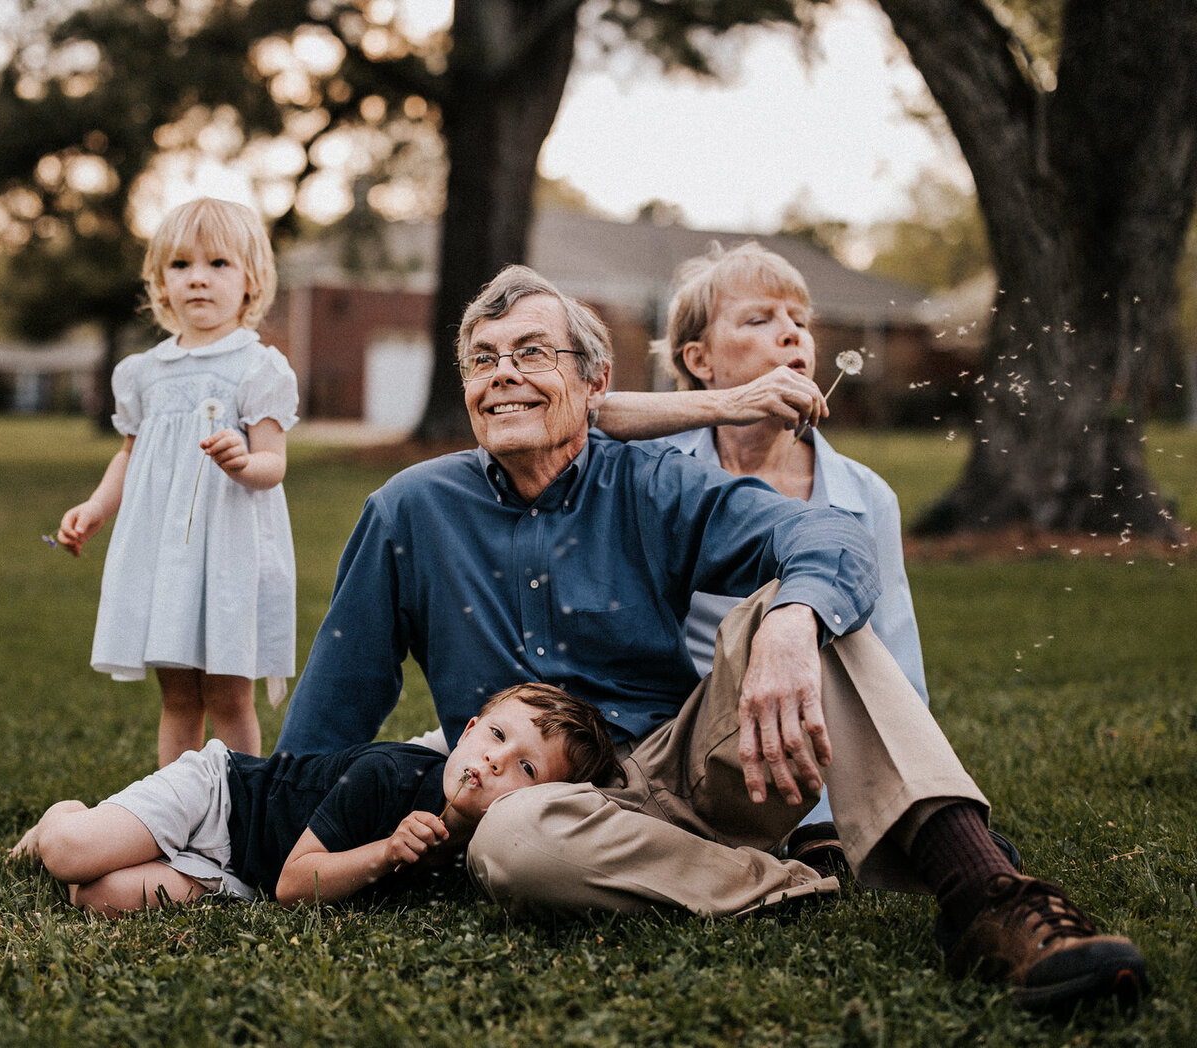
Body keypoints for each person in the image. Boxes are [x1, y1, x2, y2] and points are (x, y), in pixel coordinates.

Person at [274, 264, 1148, 1013]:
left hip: (682, 769)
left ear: (595, 382)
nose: (503, 376)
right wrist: (281, 834)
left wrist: (791, 620)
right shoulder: (409, 509)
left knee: (811, 608)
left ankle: (986, 892)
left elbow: (832, 541)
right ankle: (771, 882)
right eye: (482, 360)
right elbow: (341, 689)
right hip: (532, 806)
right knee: (511, 842)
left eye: (532, 353)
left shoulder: (653, 483)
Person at [594, 240, 1020, 877]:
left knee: (837, 618)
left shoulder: (864, 493)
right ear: (698, 360)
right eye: (759, 319)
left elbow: (894, 657)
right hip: (697, 740)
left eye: (799, 320)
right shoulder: (661, 468)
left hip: (819, 734)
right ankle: (800, 833)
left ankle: (870, 823)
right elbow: (579, 419)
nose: (790, 333)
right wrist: (725, 406)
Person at [54, 198, 299, 766]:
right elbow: (130, 456)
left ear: (251, 280)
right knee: (180, 696)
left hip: (230, 554)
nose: (198, 279)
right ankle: (177, 809)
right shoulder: (144, 373)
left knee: (229, 696)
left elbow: (273, 464)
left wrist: (242, 461)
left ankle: (243, 814)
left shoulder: (257, 368)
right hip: (168, 556)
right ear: (161, 283)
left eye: (218, 264)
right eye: (181, 265)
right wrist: (94, 508)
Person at [10, 683, 621, 911]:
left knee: (96, 896)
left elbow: (272, 887)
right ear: (464, 732)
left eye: (526, 766)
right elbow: (295, 885)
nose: (493, 759)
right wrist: (385, 852)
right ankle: (62, 817)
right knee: (70, 853)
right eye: (494, 734)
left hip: (242, 873)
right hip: (224, 798)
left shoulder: (484, 852)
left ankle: (114, 852)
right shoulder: (386, 775)